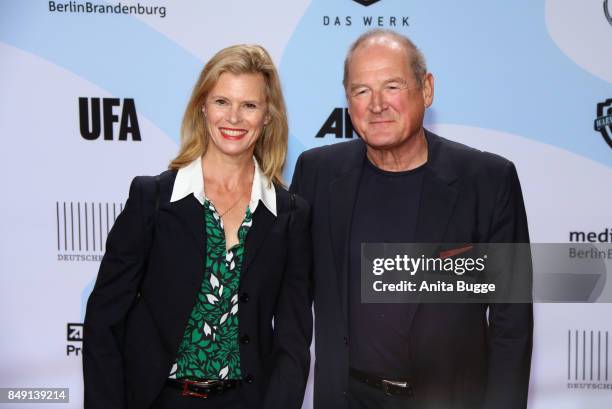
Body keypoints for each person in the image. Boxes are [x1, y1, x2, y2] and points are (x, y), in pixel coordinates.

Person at [290, 29, 532, 409]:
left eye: (392, 86)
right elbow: (290, 296)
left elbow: (511, 324)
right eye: (361, 90)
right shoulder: (317, 174)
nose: (377, 105)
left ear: (427, 88)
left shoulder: (488, 180)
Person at [83, 44, 312, 409]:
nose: (233, 118)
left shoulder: (291, 214)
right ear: (202, 107)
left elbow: (293, 338)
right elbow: (104, 322)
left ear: (268, 116)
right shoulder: (153, 199)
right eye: (222, 102)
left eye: (249, 105)